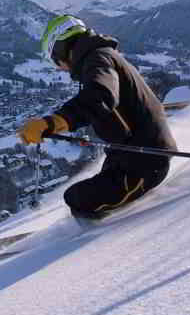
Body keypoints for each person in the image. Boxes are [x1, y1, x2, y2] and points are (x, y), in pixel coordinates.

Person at [18, 14, 177, 221]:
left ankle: (91, 243)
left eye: (55, 61)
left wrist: (52, 122)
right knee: (92, 188)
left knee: (76, 198)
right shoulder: (101, 56)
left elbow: (100, 96)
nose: (59, 68)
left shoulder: (98, 59)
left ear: (60, 50)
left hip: (145, 162)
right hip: (134, 154)